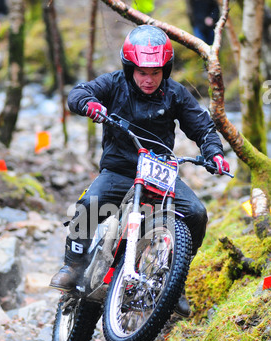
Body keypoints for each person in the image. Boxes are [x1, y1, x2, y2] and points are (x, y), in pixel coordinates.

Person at [50, 25, 229, 317]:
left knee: (196, 213)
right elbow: (79, 93)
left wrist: (215, 153)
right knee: (89, 204)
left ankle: (173, 278)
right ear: (130, 67)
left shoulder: (176, 94)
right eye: (142, 72)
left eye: (155, 73)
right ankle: (72, 265)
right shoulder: (113, 83)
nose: (148, 79)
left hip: (160, 172)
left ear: (165, 70)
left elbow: (202, 126)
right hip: (119, 169)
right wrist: (90, 104)